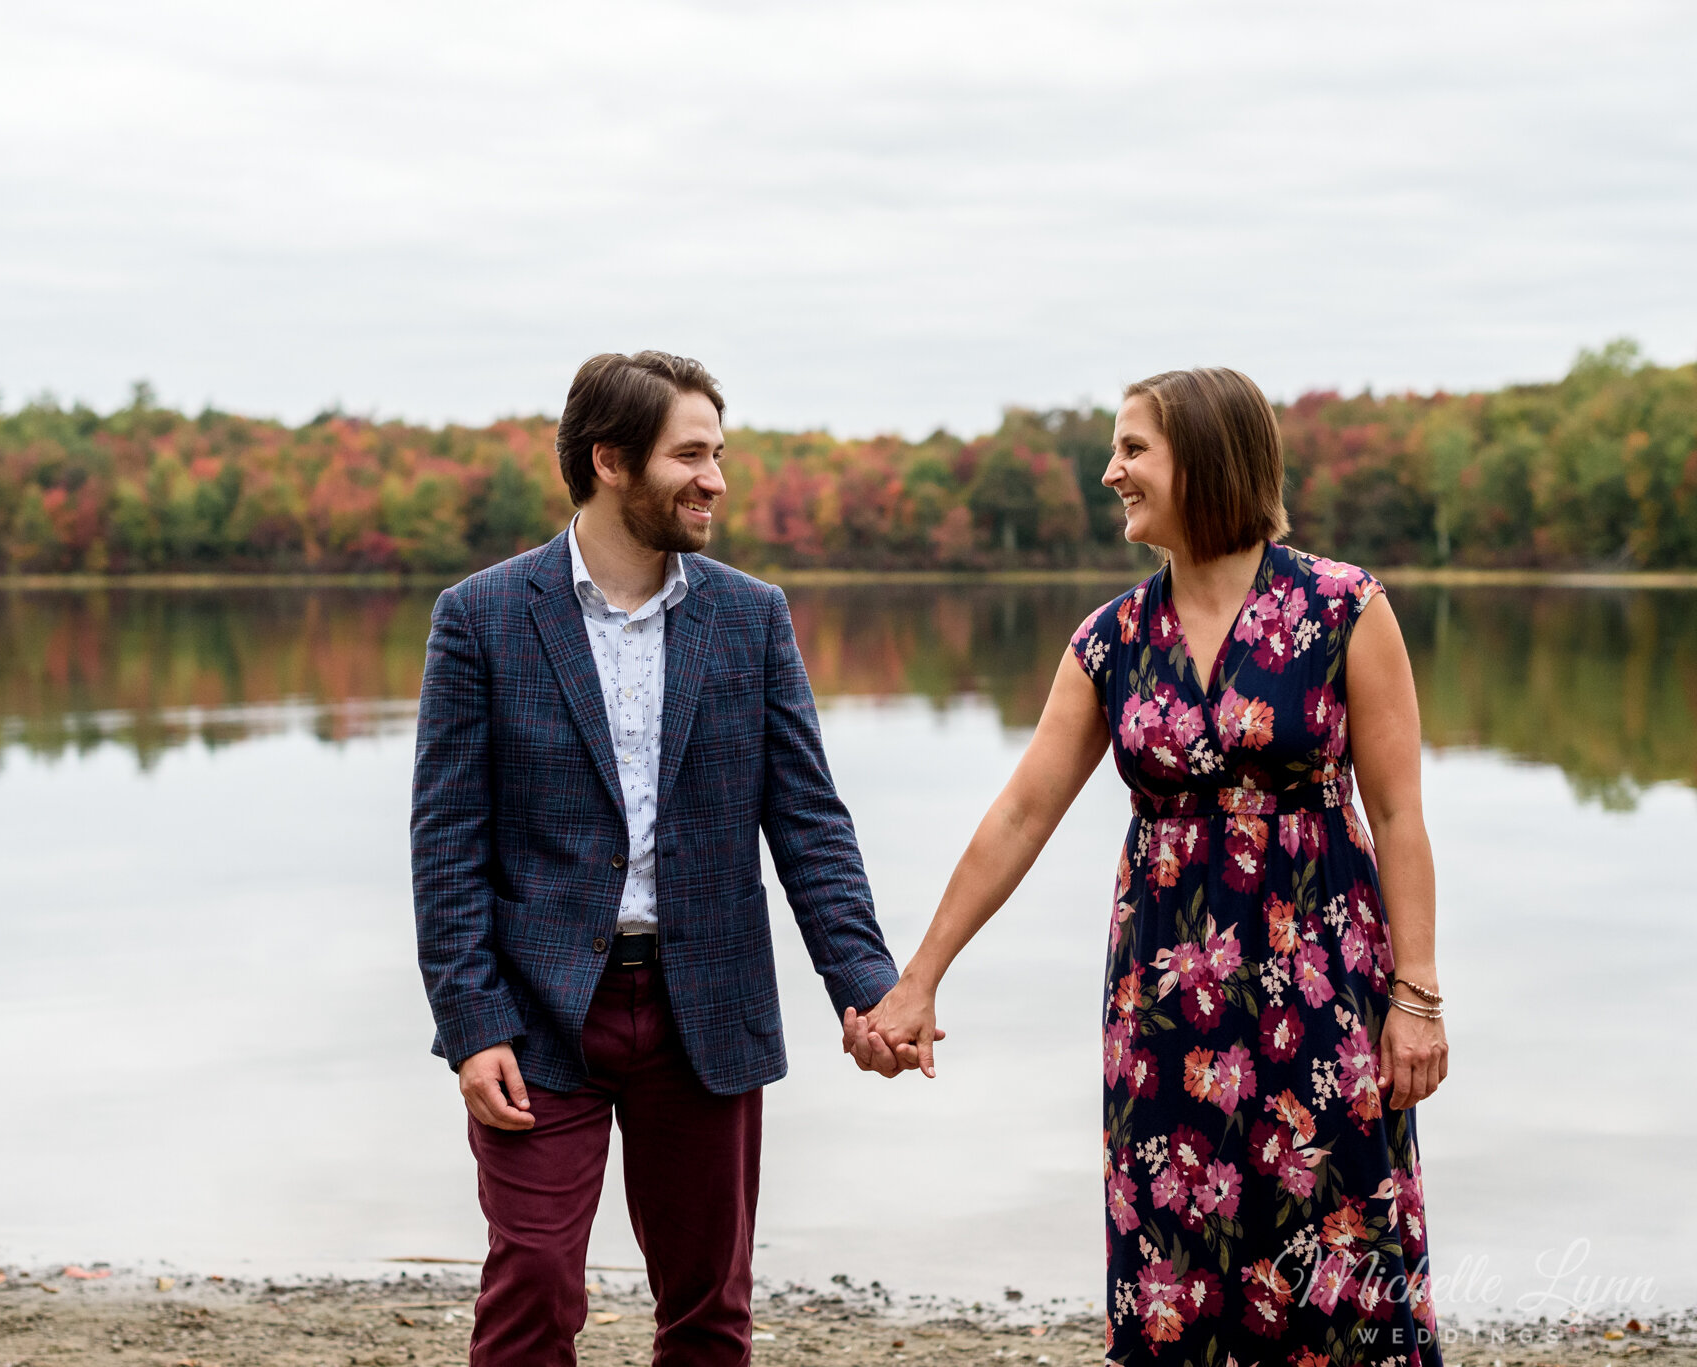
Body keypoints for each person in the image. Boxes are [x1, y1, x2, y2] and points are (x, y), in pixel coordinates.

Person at [855, 368, 1449, 1365]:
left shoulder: (1345, 607)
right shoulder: (1112, 638)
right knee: (1173, 1266)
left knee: (1340, 1267)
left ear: (1205, 460)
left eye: (1132, 450)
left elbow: (1395, 812)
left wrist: (1417, 995)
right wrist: (918, 977)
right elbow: (1019, 814)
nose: (1109, 471)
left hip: (1325, 992)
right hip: (1166, 1007)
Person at [411, 350, 903, 1367]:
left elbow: (807, 819)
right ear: (610, 461)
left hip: (705, 1009)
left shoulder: (750, 615)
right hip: (539, 1016)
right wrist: (470, 1024)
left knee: (707, 1307)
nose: (716, 478)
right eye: (691, 454)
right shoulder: (480, 619)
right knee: (533, 1284)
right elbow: (445, 847)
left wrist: (862, 983)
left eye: (718, 453)